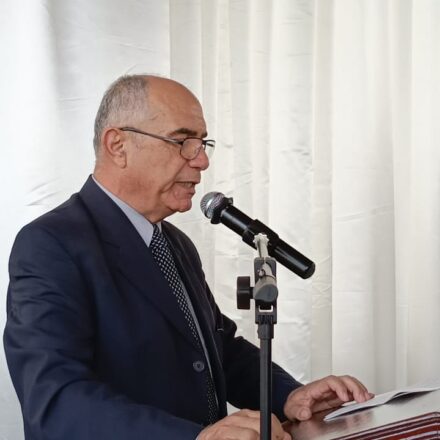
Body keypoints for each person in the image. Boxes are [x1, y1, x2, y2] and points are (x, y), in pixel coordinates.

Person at [3, 74, 372, 440]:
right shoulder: (51, 244)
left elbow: (218, 350)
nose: (202, 161)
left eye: (202, 143)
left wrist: (289, 396)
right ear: (117, 145)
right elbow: (55, 400)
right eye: (182, 142)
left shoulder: (174, 243)